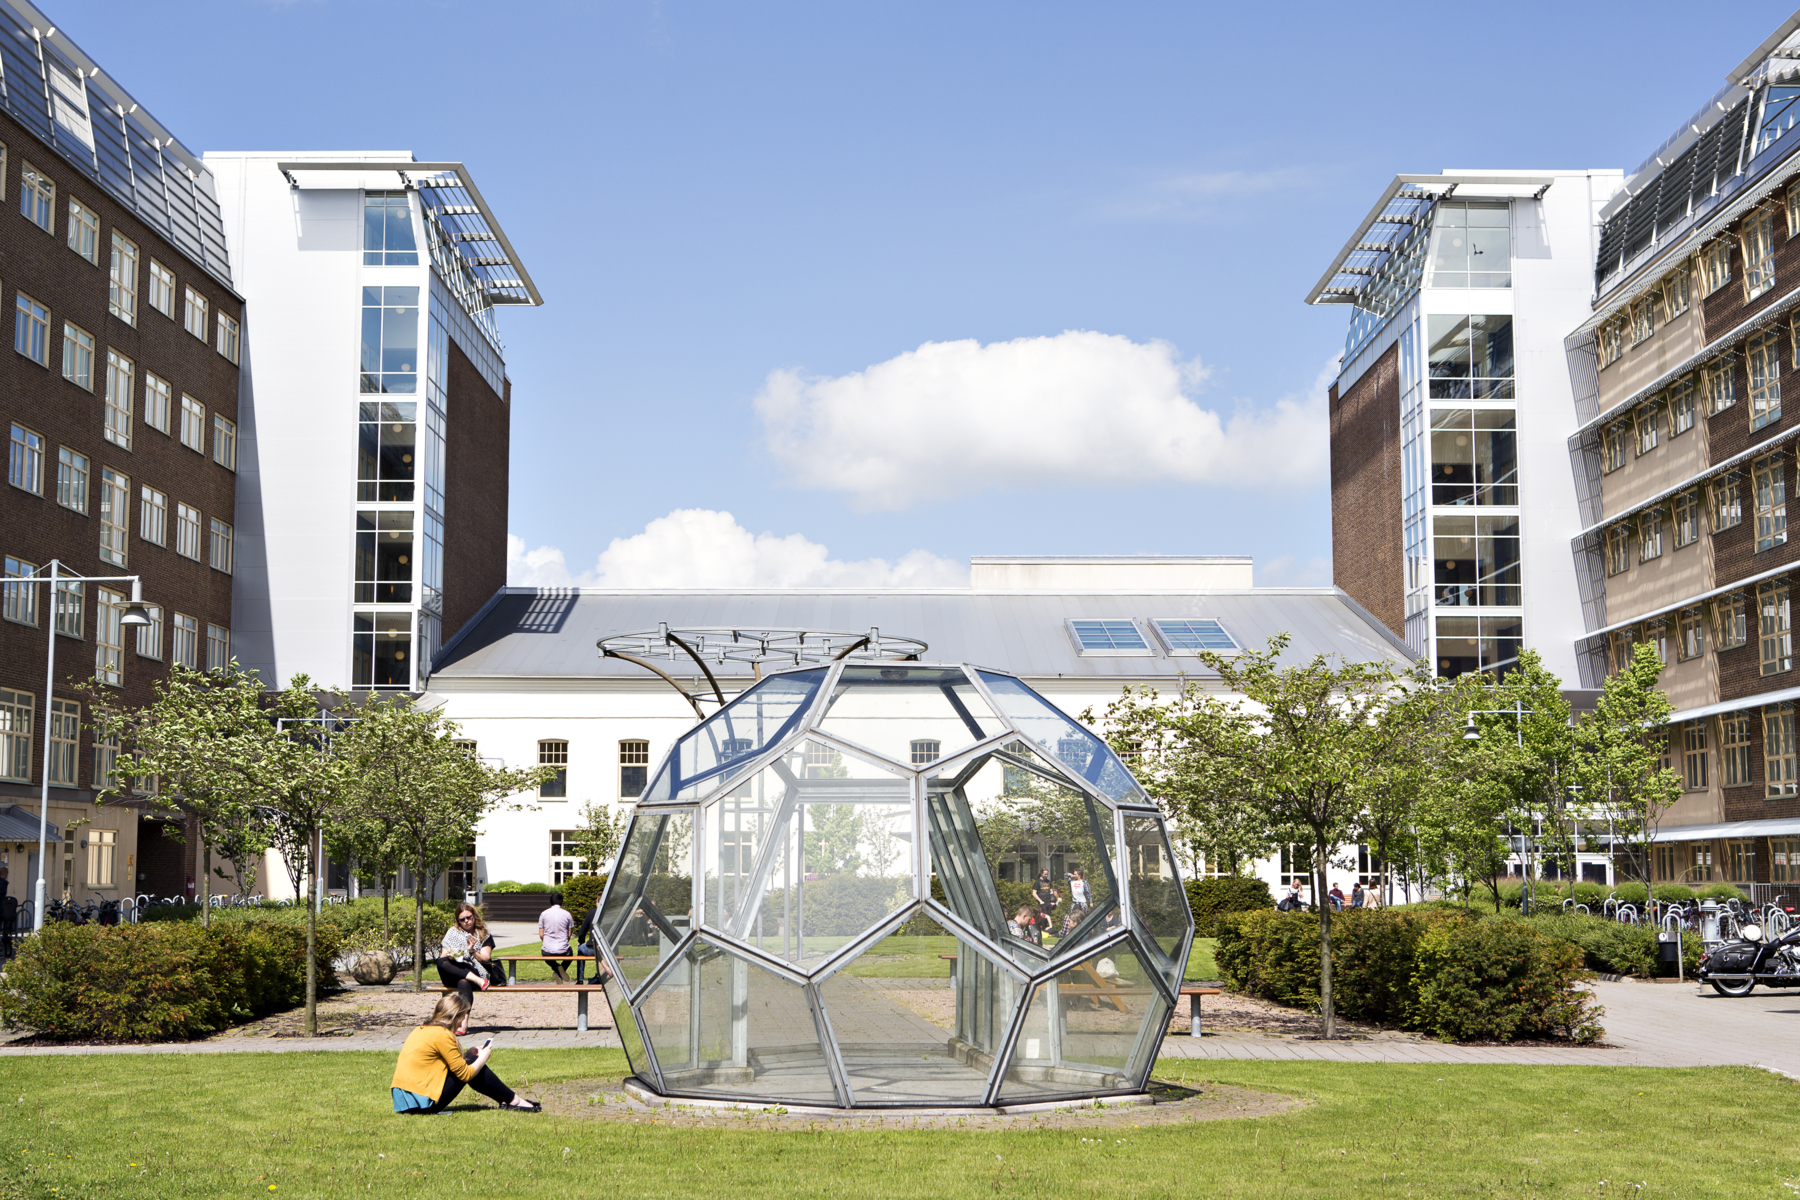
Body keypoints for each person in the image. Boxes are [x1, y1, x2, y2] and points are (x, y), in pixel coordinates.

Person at [390, 992, 541, 1114]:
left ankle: (509, 1100)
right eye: (462, 1017)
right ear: (454, 1017)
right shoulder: (443, 1034)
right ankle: (514, 1101)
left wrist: (467, 1054)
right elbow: (465, 1074)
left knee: (470, 1060)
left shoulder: (422, 1029)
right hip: (423, 1104)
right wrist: (482, 1058)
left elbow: (437, 1064)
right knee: (473, 1063)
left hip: (406, 1101)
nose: (463, 1022)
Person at [437, 903, 493, 1005]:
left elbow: (485, 958)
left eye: (468, 917)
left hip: (474, 969)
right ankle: (479, 981)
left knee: (464, 982)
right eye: (462, 919)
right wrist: (450, 955)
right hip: (453, 972)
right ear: (458, 921)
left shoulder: (483, 934)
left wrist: (472, 951)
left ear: (474, 916)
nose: (466, 921)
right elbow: (443, 955)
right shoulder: (452, 933)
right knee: (441, 961)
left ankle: (464, 1020)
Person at [538, 897, 576, 983]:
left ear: (550, 902)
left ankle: (556, 969)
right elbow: (569, 935)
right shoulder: (567, 914)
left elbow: (541, 934)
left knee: (545, 952)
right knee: (570, 954)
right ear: (562, 902)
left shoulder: (544, 914)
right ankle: (560, 971)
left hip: (548, 950)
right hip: (564, 950)